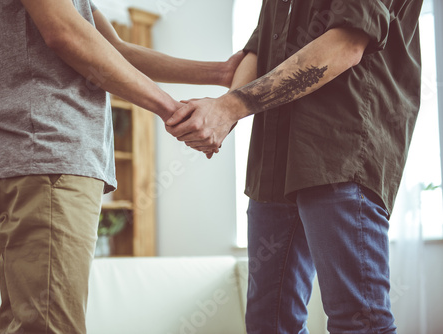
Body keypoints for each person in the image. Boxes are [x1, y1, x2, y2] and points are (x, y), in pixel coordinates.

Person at [0, 0, 242, 333]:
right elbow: (64, 33)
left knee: (33, 321)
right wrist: (172, 110)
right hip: (47, 147)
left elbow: (112, 49)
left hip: (45, 153)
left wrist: (221, 72)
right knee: (47, 326)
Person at [167, 0, 424, 333]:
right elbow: (258, 54)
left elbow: (345, 44)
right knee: (268, 323)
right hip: (273, 160)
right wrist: (220, 115)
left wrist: (230, 107)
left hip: (340, 150)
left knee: (358, 321)